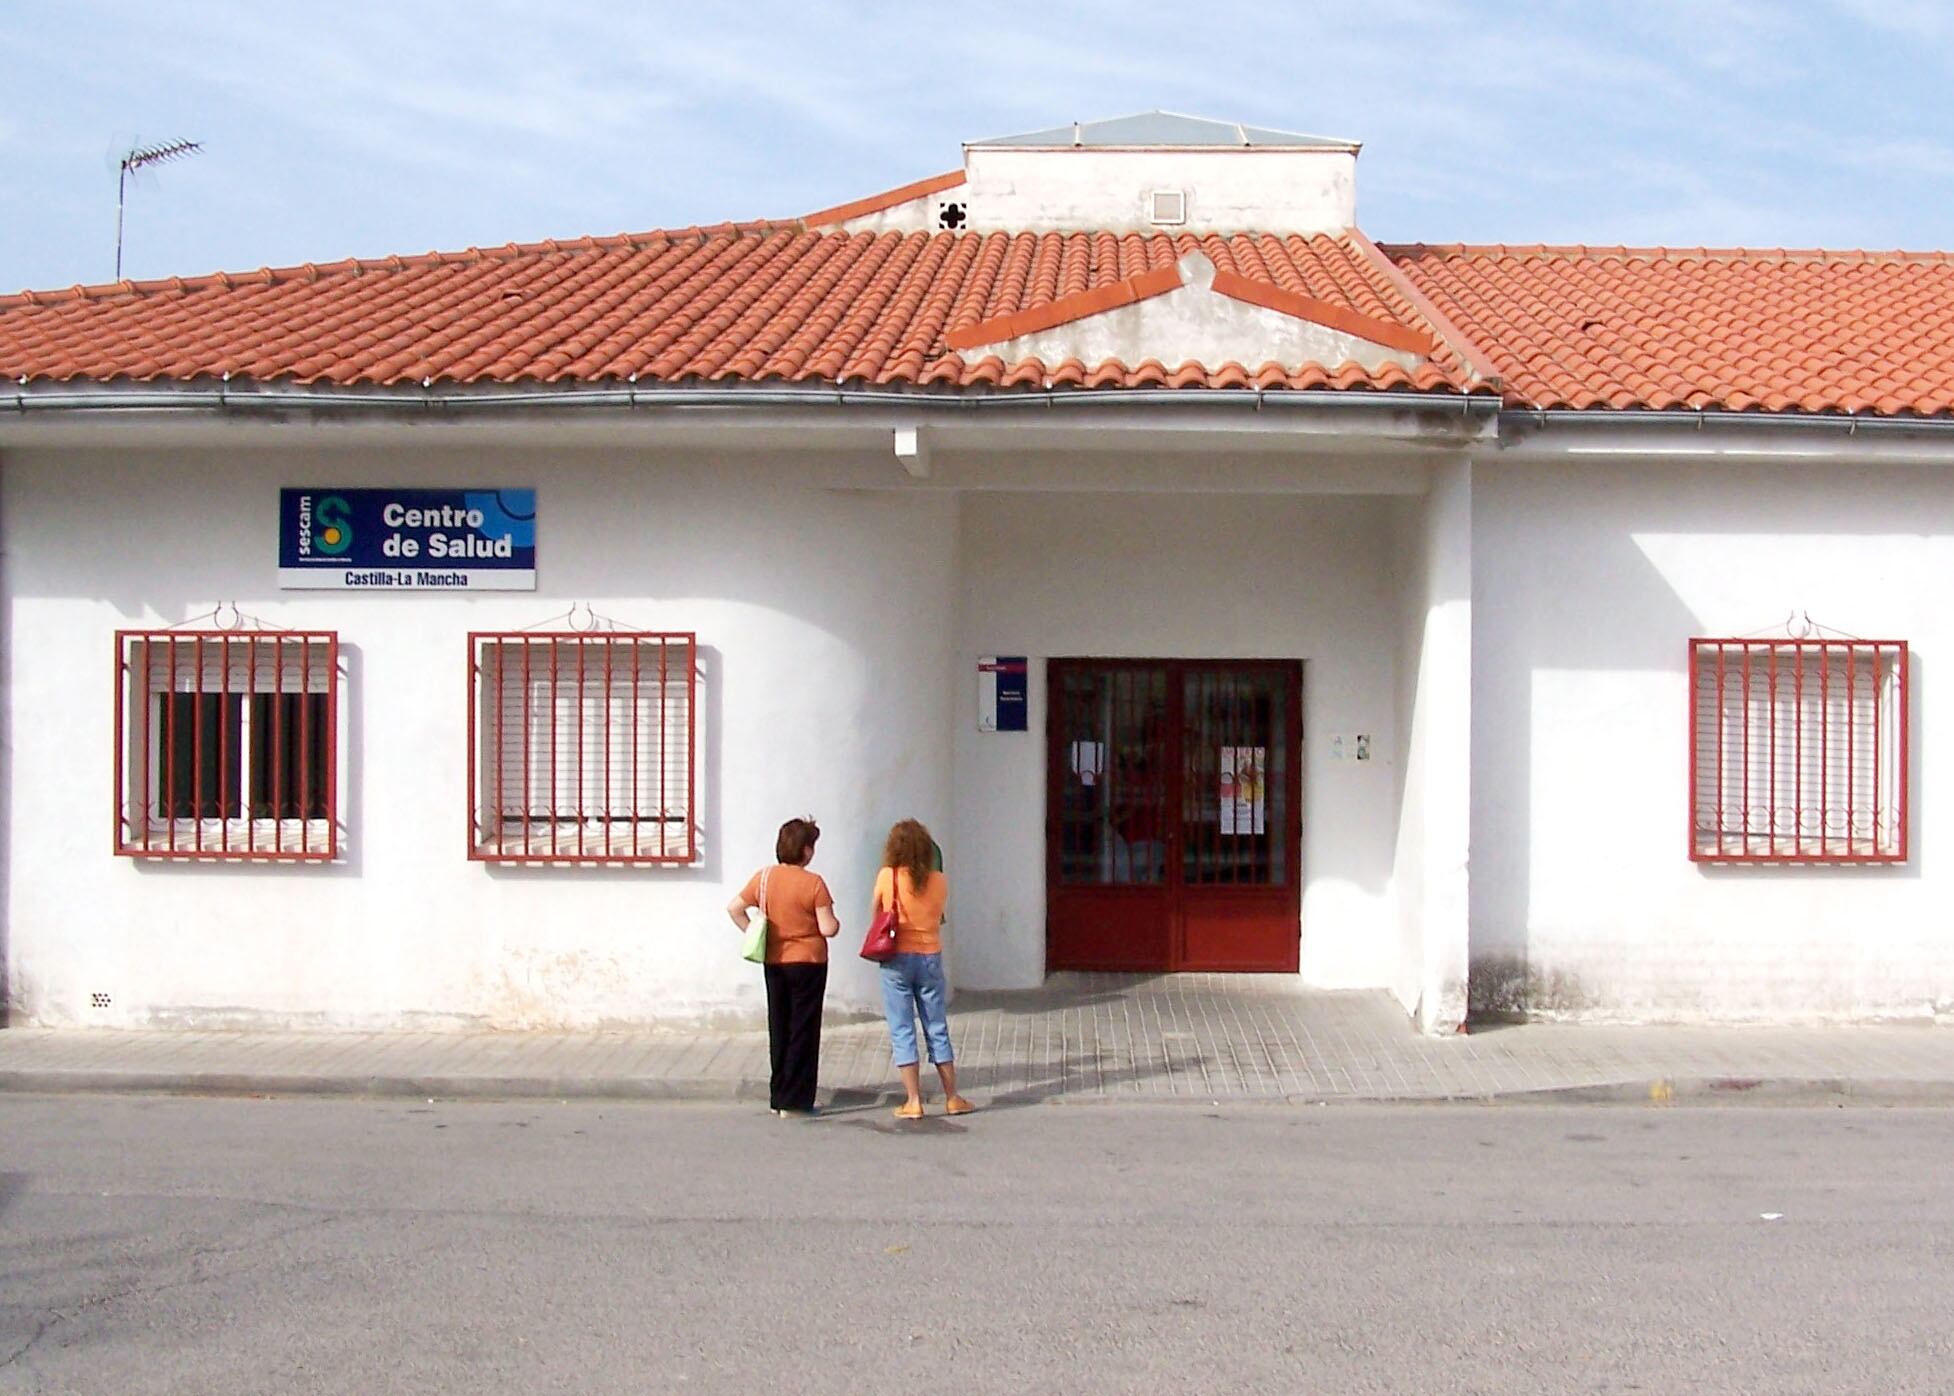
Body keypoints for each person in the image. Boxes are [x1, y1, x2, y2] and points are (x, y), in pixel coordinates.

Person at [726, 817, 839, 1116]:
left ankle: (778, 1096)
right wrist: (835, 921)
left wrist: (753, 931)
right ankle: (797, 1099)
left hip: (774, 960)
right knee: (804, 1028)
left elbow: (734, 908)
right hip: (809, 962)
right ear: (805, 851)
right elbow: (827, 928)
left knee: (779, 1025)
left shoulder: (763, 879)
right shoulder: (814, 884)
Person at [872, 818, 974, 1120]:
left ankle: (913, 1100)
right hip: (929, 956)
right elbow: (939, 915)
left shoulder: (887, 876)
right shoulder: (938, 880)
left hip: (896, 958)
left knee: (902, 1027)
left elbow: (876, 913)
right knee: (936, 1025)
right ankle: (952, 1097)